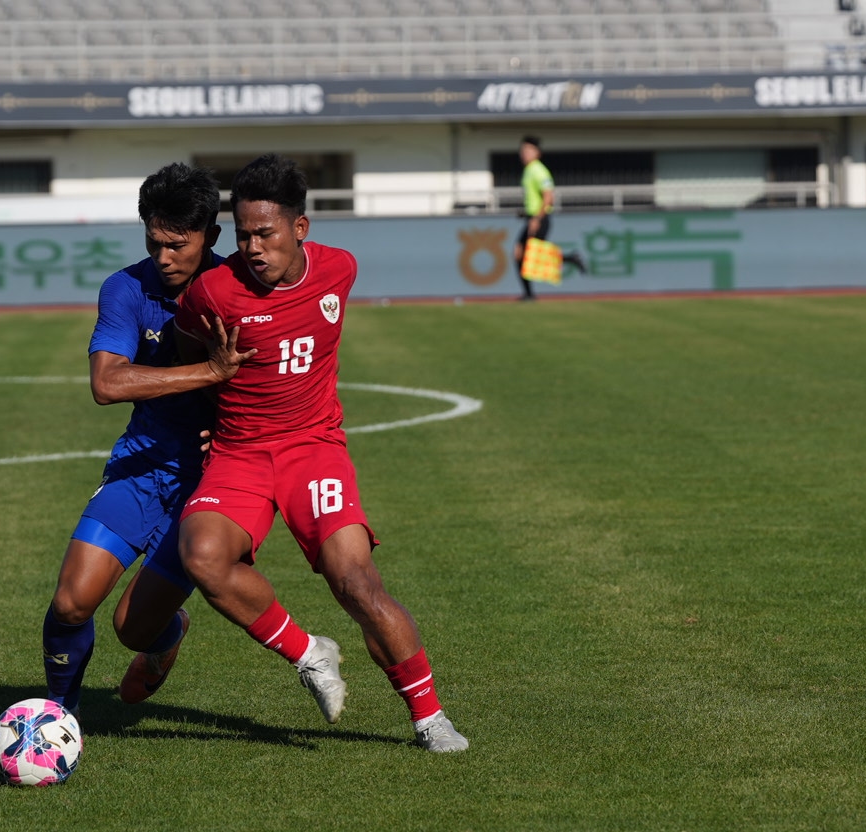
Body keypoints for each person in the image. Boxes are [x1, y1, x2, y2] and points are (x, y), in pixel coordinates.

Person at [172, 154, 469, 752]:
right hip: (240, 454)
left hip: (314, 449)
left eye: (266, 233)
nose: (252, 247)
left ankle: (430, 718)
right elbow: (190, 358)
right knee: (203, 558)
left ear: (299, 229)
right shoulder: (211, 291)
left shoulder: (339, 270)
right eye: (243, 235)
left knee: (357, 583)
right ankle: (309, 653)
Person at [42, 163, 252, 713]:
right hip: (141, 468)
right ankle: (59, 717)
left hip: (212, 488)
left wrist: (236, 434)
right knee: (70, 604)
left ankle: (167, 636)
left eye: (177, 245)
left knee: (131, 630)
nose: (163, 257)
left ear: (211, 235)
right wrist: (210, 372)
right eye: (153, 242)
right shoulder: (126, 288)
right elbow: (107, 383)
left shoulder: (239, 292)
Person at [512, 136, 587, 301]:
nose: (524, 153)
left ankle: (530, 294)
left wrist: (537, 219)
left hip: (539, 219)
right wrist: (526, 214)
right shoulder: (529, 170)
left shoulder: (538, 170)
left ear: (537, 153)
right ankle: (529, 293)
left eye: (528, 150)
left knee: (528, 256)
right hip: (532, 217)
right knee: (522, 254)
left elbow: (548, 197)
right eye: (523, 150)